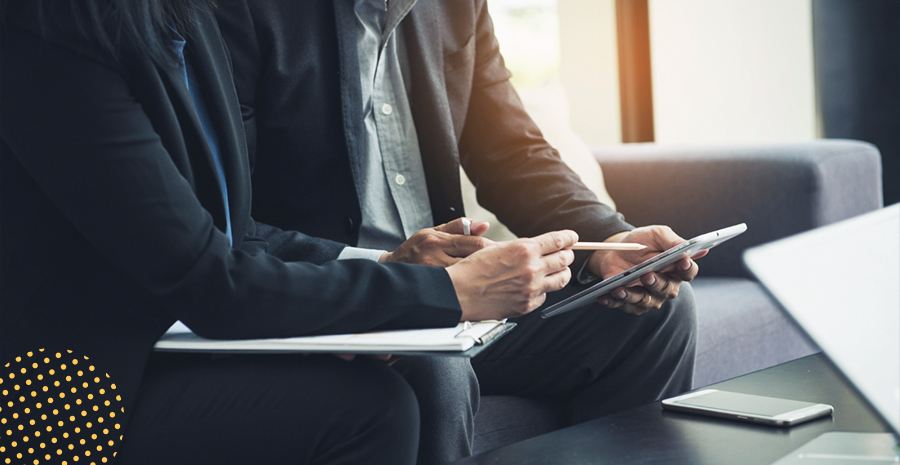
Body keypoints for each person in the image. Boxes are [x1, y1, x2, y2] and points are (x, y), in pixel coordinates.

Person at [0, 1, 579, 463]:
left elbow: (233, 234)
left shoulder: (184, 21)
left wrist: (384, 281)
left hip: (165, 346)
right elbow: (208, 282)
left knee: (377, 397)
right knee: (368, 409)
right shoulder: (47, 33)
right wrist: (446, 294)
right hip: (55, 397)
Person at [213, 1, 701, 463]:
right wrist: (389, 274)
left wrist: (610, 241)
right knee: (433, 365)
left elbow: (511, 153)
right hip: (337, 298)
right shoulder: (242, 13)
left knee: (658, 315)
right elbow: (228, 222)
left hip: (461, 293)